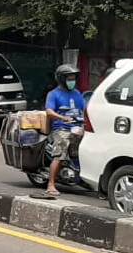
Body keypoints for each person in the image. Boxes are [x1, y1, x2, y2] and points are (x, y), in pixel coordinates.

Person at [45, 64, 86, 196]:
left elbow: (84, 110)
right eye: (69, 78)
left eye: (73, 78)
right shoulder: (53, 94)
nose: (71, 81)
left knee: (84, 151)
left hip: (77, 128)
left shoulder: (77, 93)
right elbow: (49, 112)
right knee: (60, 154)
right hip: (61, 129)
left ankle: (82, 177)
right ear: (62, 79)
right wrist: (62, 117)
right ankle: (51, 184)